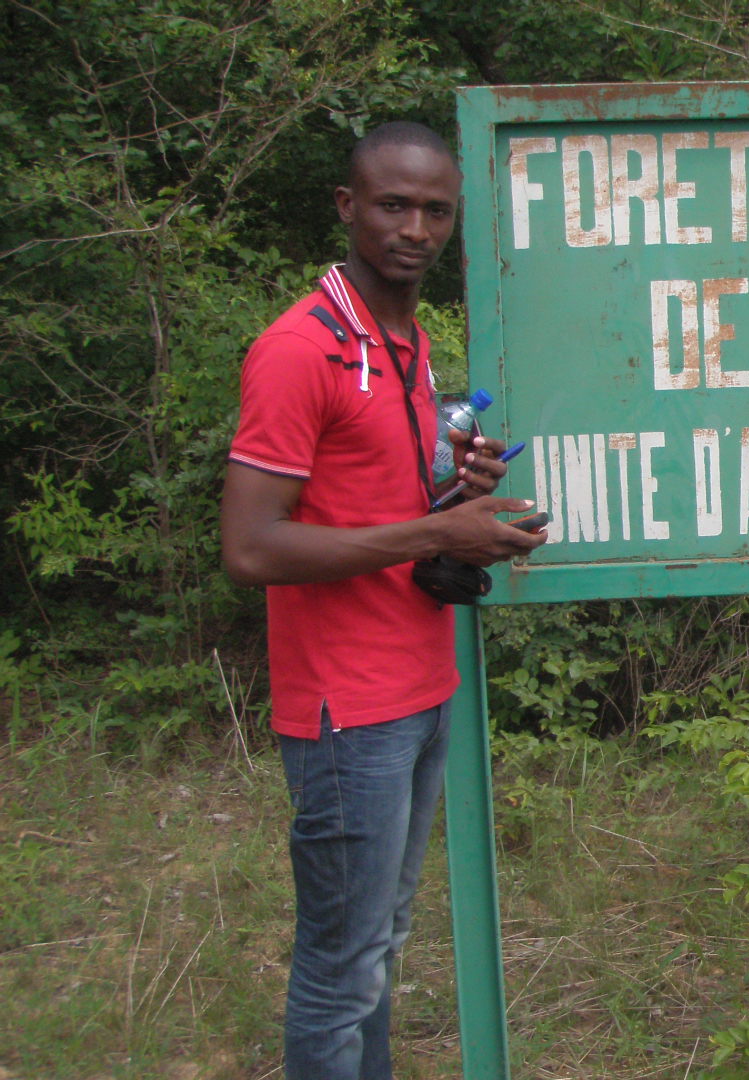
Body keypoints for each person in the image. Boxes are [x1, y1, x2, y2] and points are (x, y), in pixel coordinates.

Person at [220, 121, 546, 1080]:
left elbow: (374, 506)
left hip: (419, 682)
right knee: (342, 964)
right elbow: (250, 547)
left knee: (380, 946)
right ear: (347, 208)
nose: (415, 228)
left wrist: (458, 496)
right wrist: (438, 534)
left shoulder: (404, 343)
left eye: (435, 210)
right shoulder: (299, 349)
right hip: (343, 711)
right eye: (393, 205)